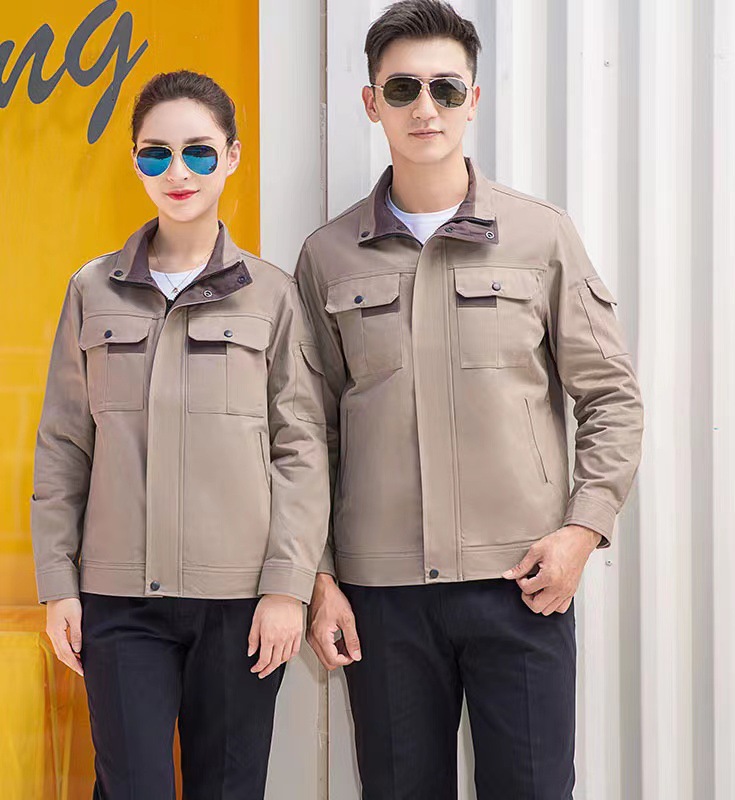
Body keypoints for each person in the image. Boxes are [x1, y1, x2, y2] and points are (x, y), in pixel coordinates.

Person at [298, 2, 644, 798]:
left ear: (473, 100)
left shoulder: (541, 237)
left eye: (446, 89)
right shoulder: (327, 257)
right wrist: (318, 576)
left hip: (521, 586)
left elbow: (611, 396)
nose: (426, 108)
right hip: (382, 597)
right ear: (371, 102)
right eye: (403, 88)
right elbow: (307, 432)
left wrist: (581, 531)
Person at [30, 70, 329, 799]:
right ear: (135, 162)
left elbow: (300, 450)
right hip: (119, 603)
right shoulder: (91, 290)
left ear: (231, 157)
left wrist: (287, 588)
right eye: (156, 153)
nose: (178, 172)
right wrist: (59, 586)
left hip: (240, 605)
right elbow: (64, 447)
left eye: (198, 151)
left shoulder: (272, 295)